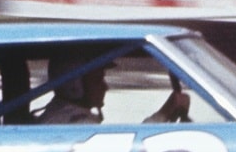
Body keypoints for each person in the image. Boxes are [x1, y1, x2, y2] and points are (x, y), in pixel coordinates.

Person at [36, 50, 189, 124]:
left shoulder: (60, 114)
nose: (105, 87)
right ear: (74, 85)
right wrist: (163, 113)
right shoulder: (76, 123)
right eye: (98, 80)